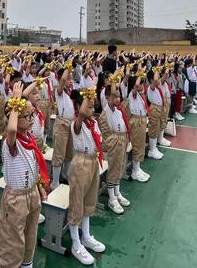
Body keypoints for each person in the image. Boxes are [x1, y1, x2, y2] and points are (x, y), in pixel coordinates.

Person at [0, 82, 49, 268]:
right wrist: (16, 102)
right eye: (26, 116)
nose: (31, 119)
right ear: (15, 117)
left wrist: (40, 185)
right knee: (13, 242)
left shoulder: (29, 138)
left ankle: (27, 264)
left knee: (30, 236)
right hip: (16, 198)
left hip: (31, 193)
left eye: (32, 114)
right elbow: (11, 129)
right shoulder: (11, 142)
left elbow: (35, 164)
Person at [68, 89, 106, 265]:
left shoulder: (93, 122)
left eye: (93, 106)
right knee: (77, 203)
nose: (92, 109)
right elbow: (82, 113)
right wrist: (89, 94)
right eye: (89, 106)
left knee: (89, 201)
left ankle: (86, 236)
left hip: (92, 162)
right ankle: (76, 243)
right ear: (80, 106)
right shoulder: (78, 123)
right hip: (81, 163)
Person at [98, 84, 130, 215]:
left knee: (119, 168)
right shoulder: (104, 114)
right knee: (112, 170)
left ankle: (117, 193)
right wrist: (118, 141)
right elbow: (106, 136)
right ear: (107, 97)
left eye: (119, 96)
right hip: (113, 146)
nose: (118, 99)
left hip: (121, 143)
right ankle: (111, 198)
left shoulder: (118, 111)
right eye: (114, 96)